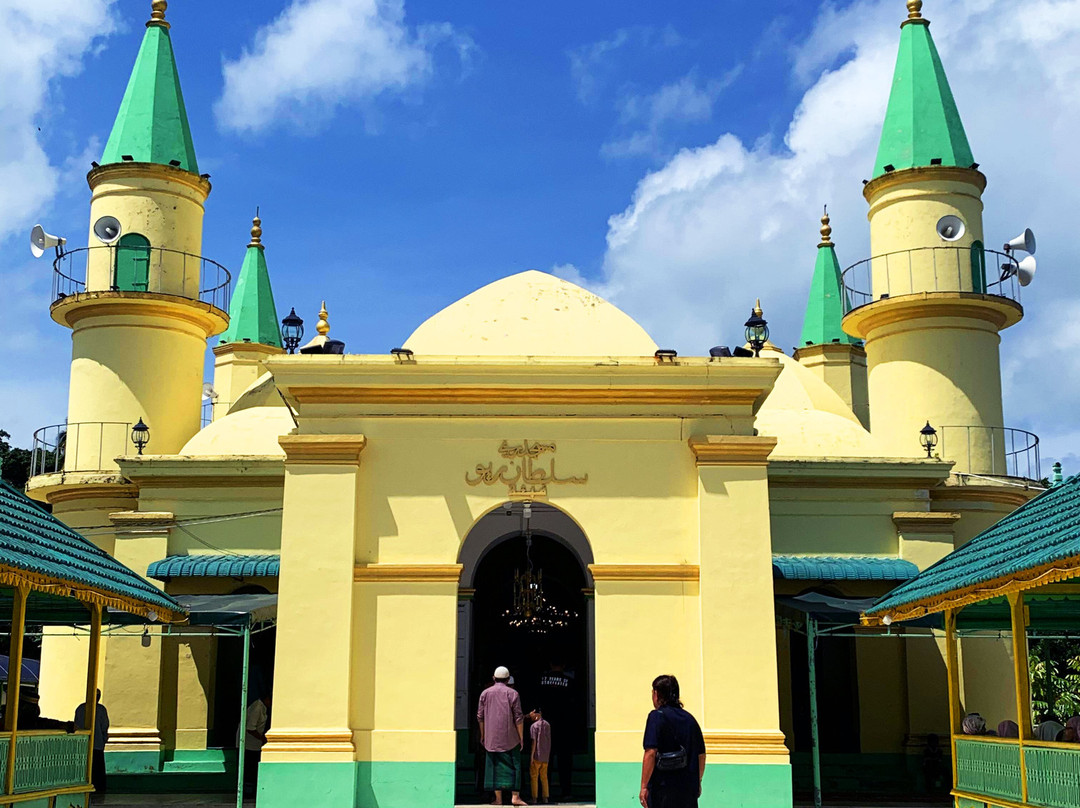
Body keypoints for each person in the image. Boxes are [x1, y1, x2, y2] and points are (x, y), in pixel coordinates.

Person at [640, 675, 705, 808]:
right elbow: (701, 755)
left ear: (657, 694)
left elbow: (650, 752)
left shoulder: (656, 717)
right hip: (687, 789)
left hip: (663, 789)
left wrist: (644, 787)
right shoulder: (690, 720)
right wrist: (697, 781)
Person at [478, 666, 527, 806]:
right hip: (510, 738)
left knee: (494, 767)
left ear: (493, 678)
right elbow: (518, 718)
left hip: (491, 739)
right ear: (507, 679)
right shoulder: (513, 694)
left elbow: (480, 717)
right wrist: (521, 737)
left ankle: (498, 799)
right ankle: (515, 797)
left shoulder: (485, 693)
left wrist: (483, 735)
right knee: (514, 766)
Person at [538, 659, 575, 801]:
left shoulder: (542, 680)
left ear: (550, 664)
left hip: (545, 725)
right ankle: (566, 792)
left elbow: (537, 701)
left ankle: (543, 793)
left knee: (544, 760)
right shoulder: (570, 682)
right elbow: (574, 704)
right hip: (564, 726)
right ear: (564, 665)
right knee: (564, 761)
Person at [75, 690, 110, 802]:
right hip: (97, 744)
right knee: (97, 769)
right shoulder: (101, 710)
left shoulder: (80, 709)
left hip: (83, 744)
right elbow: (105, 726)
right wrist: (104, 739)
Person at [237, 694, 271, 798]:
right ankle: (247, 793)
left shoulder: (263, 707)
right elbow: (250, 728)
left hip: (254, 745)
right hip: (248, 744)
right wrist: (262, 738)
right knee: (249, 768)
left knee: (252, 768)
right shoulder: (257, 707)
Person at [528, 708, 551, 804]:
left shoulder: (534, 726)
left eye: (533, 714)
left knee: (534, 777)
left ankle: (534, 798)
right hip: (545, 756)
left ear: (537, 714)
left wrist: (531, 756)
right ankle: (545, 797)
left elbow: (534, 742)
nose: (531, 716)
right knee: (544, 777)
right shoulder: (547, 725)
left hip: (537, 755)